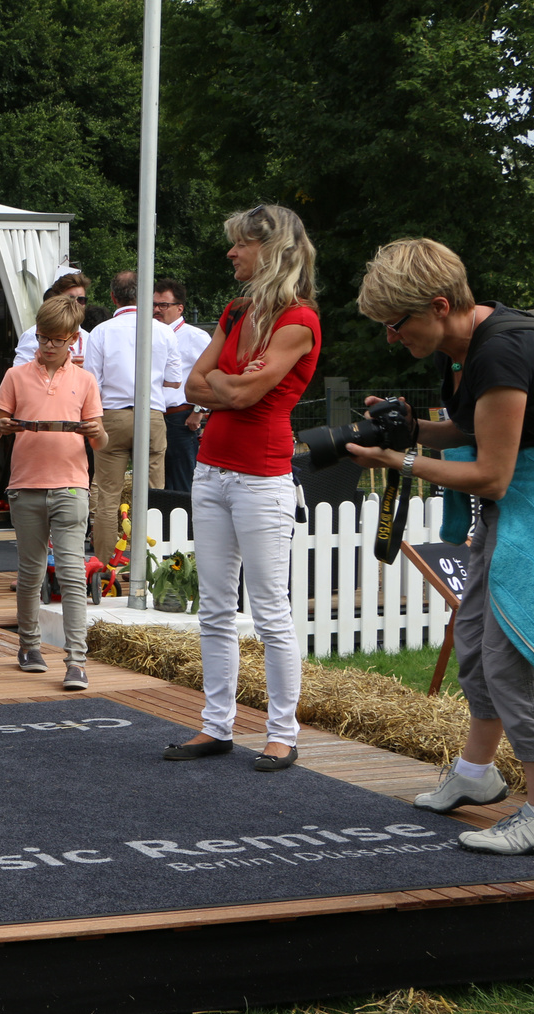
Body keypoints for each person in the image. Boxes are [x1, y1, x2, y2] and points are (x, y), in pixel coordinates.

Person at [347, 238, 534, 854]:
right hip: (517, 508)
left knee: (516, 656)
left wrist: (401, 458)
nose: (392, 338)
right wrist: (410, 427)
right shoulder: (466, 347)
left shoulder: (504, 351)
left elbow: (491, 473)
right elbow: (472, 426)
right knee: (478, 639)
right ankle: (478, 775)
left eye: (397, 325)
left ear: (439, 303)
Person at [167, 205, 320, 772]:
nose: (231, 253)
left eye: (241, 244)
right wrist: (231, 386)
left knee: (269, 611)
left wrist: (225, 387)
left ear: (270, 248)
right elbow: (193, 384)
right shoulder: (236, 311)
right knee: (214, 608)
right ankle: (216, 725)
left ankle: (282, 732)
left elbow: (230, 394)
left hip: (261, 476)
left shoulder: (299, 319)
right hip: (211, 469)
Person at [0, 295, 105, 691]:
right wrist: (1, 427)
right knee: (31, 573)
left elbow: (101, 439)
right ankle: (29, 645)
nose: (48, 345)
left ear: (73, 339)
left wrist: (95, 432)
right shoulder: (16, 375)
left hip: (71, 484)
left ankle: (77, 661)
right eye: (42, 337)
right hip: (25, 485)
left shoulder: (85, 380)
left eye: (56, 339)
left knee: (72, 573)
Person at [83, 271, 181, 560]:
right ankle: (148, 565)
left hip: (111, 416)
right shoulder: (163, 331)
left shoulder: (101, 331)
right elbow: (175, 380)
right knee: (153, 494)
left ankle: (102, 566)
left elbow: (91, 382)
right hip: (151, 415)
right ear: (146, 298)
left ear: (113, 297)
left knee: (106, 496)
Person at [154, 279, 212, 494]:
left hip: (180, 419)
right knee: (157, 481)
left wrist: (199, 411)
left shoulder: (194, 336)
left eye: (163, 305)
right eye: (154, 305)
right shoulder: (151, 334)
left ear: (180, 308)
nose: (157, 310)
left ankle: (185, 526)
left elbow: (210, 374)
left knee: (181, 481)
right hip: (153, 417)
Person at [11, 273, 93, 371]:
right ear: (56, 299)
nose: (75, 304)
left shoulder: (89, 338)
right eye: (70, 298)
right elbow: (19, 372)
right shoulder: (33, 334)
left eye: (81, 300)